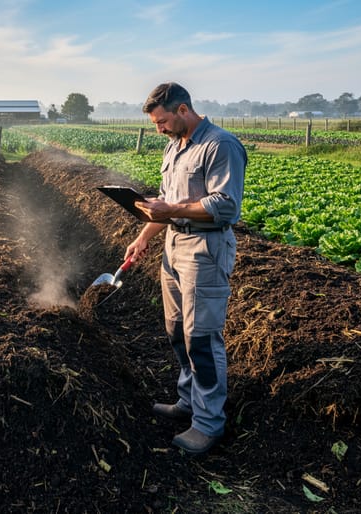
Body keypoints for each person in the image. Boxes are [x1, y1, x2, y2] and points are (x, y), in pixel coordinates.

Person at [124, 82, 247, 454]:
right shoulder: (173, 146)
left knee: (202, 337)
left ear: (182, 110)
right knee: (176, 329)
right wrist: (145, 235)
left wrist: (171, 211)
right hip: (173, 244)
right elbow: (168, 202)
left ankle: (209, 423)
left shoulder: (220, 145)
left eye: (161, 121)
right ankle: (189, 400)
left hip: (204, 249)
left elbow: (225, 205)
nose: (158, 128)